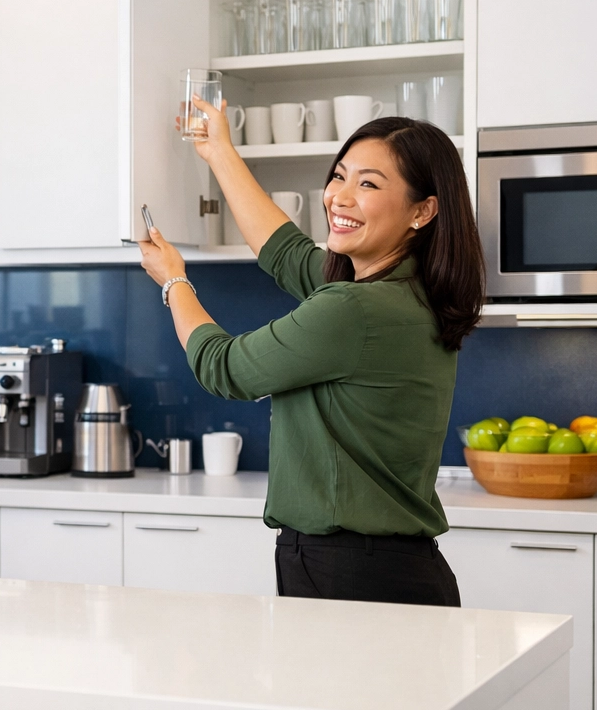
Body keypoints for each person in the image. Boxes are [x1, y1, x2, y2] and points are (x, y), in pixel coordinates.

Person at [138, 101, 484, 605]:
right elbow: (284, 252)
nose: (338, 197)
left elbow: (224, 368)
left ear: (422, 210)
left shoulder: (354, 309)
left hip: (348, 571)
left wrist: (174, 280)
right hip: (389, 569)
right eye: (339, 176)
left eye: (368, 184)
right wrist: (218, 152)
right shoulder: (409, 293)